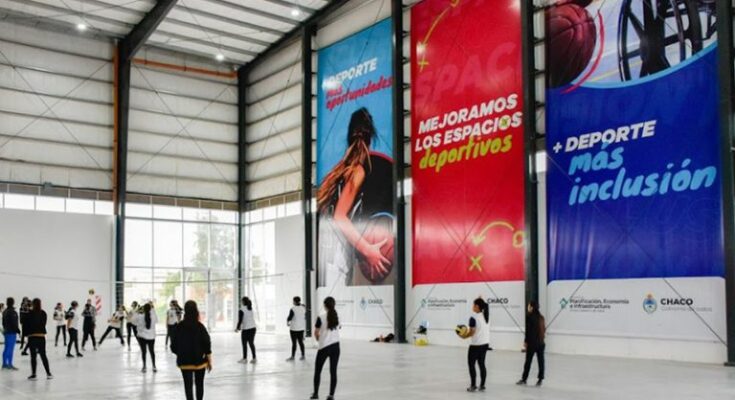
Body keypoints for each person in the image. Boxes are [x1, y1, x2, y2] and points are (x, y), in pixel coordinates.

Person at [317, 108, 394, 287]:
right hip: (336, 254)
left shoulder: (339, 171)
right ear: (371, 137)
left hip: (328, 250)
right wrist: (367, 250)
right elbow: (339, 216)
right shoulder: (357, 170)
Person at [171, 301, 212, 400]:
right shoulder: (200, 327)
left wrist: (181, 353)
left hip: (184, 362)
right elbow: (207, 344)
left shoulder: (179, 327)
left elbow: (173, 346)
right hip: (200, 361)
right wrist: (209, 360)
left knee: (188, 385)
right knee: (199, 384)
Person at [310, 297, 341, 400]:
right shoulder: (337, 316)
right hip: (336, 346)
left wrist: (319, 340)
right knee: (333, 371)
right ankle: (331, 395)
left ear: (325, 305)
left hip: (324, 347)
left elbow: (316, 332)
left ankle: (315, 394)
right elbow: (338, 327)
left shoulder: (321, 317)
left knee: (318, 371)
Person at [458, 298, 490, 392]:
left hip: (476, 345)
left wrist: (463, 336)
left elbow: (472, 332)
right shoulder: (486, 316)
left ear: (477, 306)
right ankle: (482, 385)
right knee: (482, 364)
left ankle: (473, 385)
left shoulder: (473, 318)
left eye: (473, 305)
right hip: (485, 344)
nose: (472, 307)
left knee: (471, 365)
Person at [517, 300, 546, 387]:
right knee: (541, 361)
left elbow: (528, 331)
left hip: (532, 343)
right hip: (541, 343)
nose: (528, 307)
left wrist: (526, 342)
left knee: (528, 362)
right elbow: (544, 329)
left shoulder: (529, 316)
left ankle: (524, 379)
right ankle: (540, 380)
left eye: (529, 306)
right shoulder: (541, 317)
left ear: (532, 307)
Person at [25, 298, 52, 380]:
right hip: (41, 336)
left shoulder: (29, 313)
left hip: (32, 336)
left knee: (33, 356)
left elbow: (26, 324)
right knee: (43, 355)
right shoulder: (43, 313)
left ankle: (34, 374)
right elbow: (44, 324)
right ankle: (48, 373)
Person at [135, 302, 158, 373]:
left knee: (143, 352)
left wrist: (137, 311)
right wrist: (153, 308)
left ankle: (144, 367)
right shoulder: (153, 316)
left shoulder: (140, 316)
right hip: (151, 337)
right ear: (150, 309)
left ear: (143, 309)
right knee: (152, 351)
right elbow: (156, 320)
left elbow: (134, 321)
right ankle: (154, 366)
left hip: (142, 336)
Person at [235, 297, 256, 364]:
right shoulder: (250, 308)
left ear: (243, 302)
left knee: (244, 344)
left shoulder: (241, 309)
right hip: (253, 328)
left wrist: (237, 328)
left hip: (246, 329)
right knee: (251, 343)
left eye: (241, 301)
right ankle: (254, 358)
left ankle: (244, 359)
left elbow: (240, 320)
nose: (241, 302)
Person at [2, 297, 20, 370]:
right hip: (11, 333)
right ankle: (9, 364)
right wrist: (18, 330)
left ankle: (5, 364)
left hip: (6, 332)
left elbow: (3, 323)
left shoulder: (5, 312)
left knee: (6, 348)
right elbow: (14, 323)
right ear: (13, 302)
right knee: (10, 349)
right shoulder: (12, 312)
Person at [286, 296, 307, 361]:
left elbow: (290, 317)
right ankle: (303, 355)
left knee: (294, 343)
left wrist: (287, 321)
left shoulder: (293, 309)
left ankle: (292, 357)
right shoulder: (303, 308)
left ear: (294, 301)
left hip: (294, 328)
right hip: (301, 328)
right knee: (301, 342)